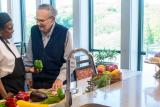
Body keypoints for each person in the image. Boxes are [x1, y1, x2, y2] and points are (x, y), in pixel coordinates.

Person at [24, 4, 75, 90]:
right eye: (36, 19)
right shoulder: (34, 30)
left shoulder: (64, 32)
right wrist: (28, 76)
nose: (38, 23)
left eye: (41, 20)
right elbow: (29, 57)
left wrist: (60, 79)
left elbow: (70, 62)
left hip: (57, 85)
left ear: (52, 19)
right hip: (37, 85)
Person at [0, 12, 25, 99]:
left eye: (12, 26)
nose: (13, 30)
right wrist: (5, 96)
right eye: (10, 28)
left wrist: (30, 69)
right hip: (8, 91)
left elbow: (12, 66)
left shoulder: (9, 41)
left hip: (19, 90)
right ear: (0, 30)